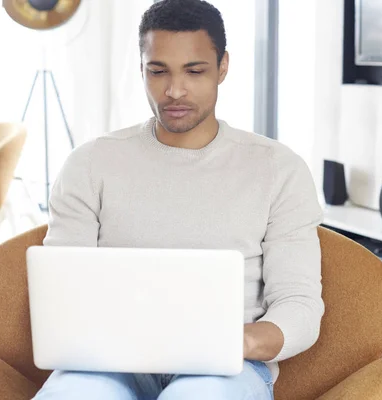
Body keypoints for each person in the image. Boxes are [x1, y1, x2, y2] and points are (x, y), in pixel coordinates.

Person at [33, 0, 324, 398]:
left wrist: (236, 342)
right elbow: (62, 291)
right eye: (158, 71)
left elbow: (299, 304)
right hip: (106, 361)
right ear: (141, 69)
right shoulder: (90, 163)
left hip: (228, 367)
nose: (174, 91)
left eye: (194, 71)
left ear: (223, 67)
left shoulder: (278, 169)